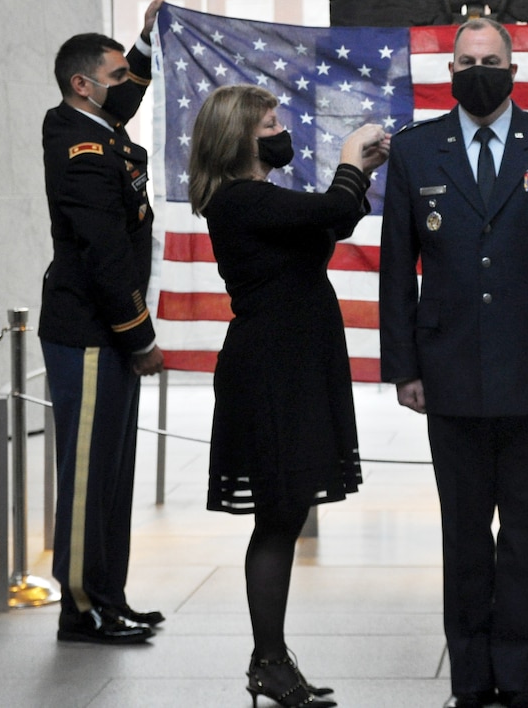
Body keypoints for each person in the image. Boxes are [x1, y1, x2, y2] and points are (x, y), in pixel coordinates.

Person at [379, 17, 528, 708]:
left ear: (513, 69)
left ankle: (518, 680)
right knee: (464, 534)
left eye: (490, 58)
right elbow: (397, 268)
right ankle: (470, 681)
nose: (478, 68)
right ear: (450, 72)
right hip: (446, 368)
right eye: (465, 59)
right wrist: (402, 365)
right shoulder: (418, 151)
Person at [188, 84, 389, 708]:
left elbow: (329, 218)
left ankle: (270, 660)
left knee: (286, 513)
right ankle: (269, 662)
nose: (282, 128)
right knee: (277, 519)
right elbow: (330, 210)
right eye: (269, 122)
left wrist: (360, 172)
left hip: (297, 363)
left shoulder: (261, 199)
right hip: (272, 370)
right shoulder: (241, 200)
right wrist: (352, 161)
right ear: (239, 136)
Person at [40, 0, 167, 646]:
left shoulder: (98, 125)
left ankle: (108, 595)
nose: (127, 86)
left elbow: (128, 96)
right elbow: (105, 256)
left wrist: (145, 42)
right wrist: (139, 335)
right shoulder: (81, 145)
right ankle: (82, 607)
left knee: (113, 475)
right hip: (91, 332)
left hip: (104, 331)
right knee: (89, 478)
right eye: (116, 76)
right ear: (80, 84)